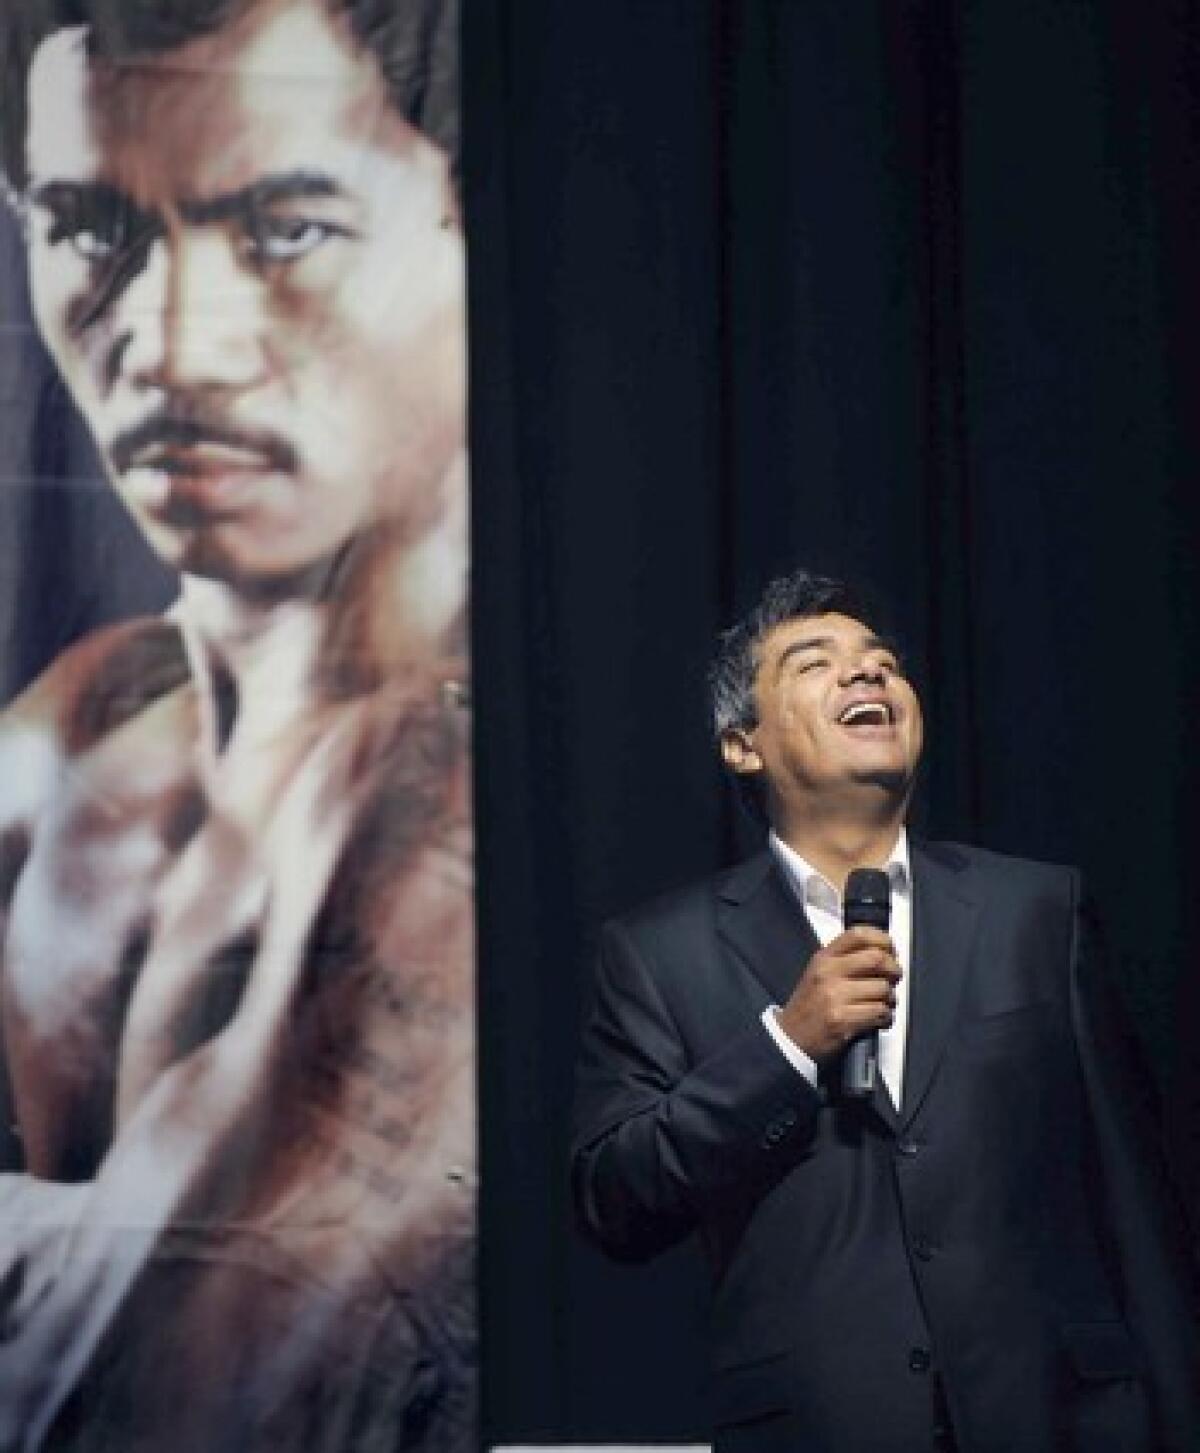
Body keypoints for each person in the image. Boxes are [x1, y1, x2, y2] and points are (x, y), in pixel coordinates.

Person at [0, 1, 473, 1448]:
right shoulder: (84, 719)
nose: (177, 350)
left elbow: (174, 1396)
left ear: (465, 225)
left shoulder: (446, 808)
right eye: (92, 227)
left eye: (285, 228)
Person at [572, 568, 1200, 1453]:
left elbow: (1135, 1204)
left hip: (1061, 1419)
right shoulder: (658, 953)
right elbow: (613, 1197)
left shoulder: (1035, 910)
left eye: (883, 662)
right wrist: (788, 1048)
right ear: (741, 745)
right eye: (815, 662)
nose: (867, 675)